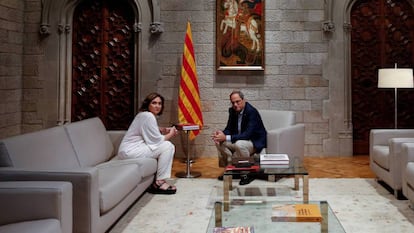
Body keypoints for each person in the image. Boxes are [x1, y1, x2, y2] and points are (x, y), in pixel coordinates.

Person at [118, 92, 179, 195]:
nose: (157, 106)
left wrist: (163, 130)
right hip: (130, 151)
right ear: (148, 104)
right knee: (168, 146)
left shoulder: (144, 115)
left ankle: (158, 181)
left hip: (130, 150)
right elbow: (157, 141)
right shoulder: (148, 116)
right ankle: (159, 182)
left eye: (160, 103)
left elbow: (149, 130)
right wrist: (172, 133)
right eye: (154, 103)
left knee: (165, 146)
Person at [212, 90, 267, 185]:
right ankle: (231, 170)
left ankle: (246, 174)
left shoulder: (251, 112)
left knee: (239, 144)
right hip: (239, 139)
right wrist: (221, 134)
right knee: (219, 142)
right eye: (233, 102)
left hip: (253, 142)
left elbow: (247, 135)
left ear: (243, 100)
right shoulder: (232, 111)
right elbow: (229, 128)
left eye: (238, 101)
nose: (235, 104)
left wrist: (226, 137)